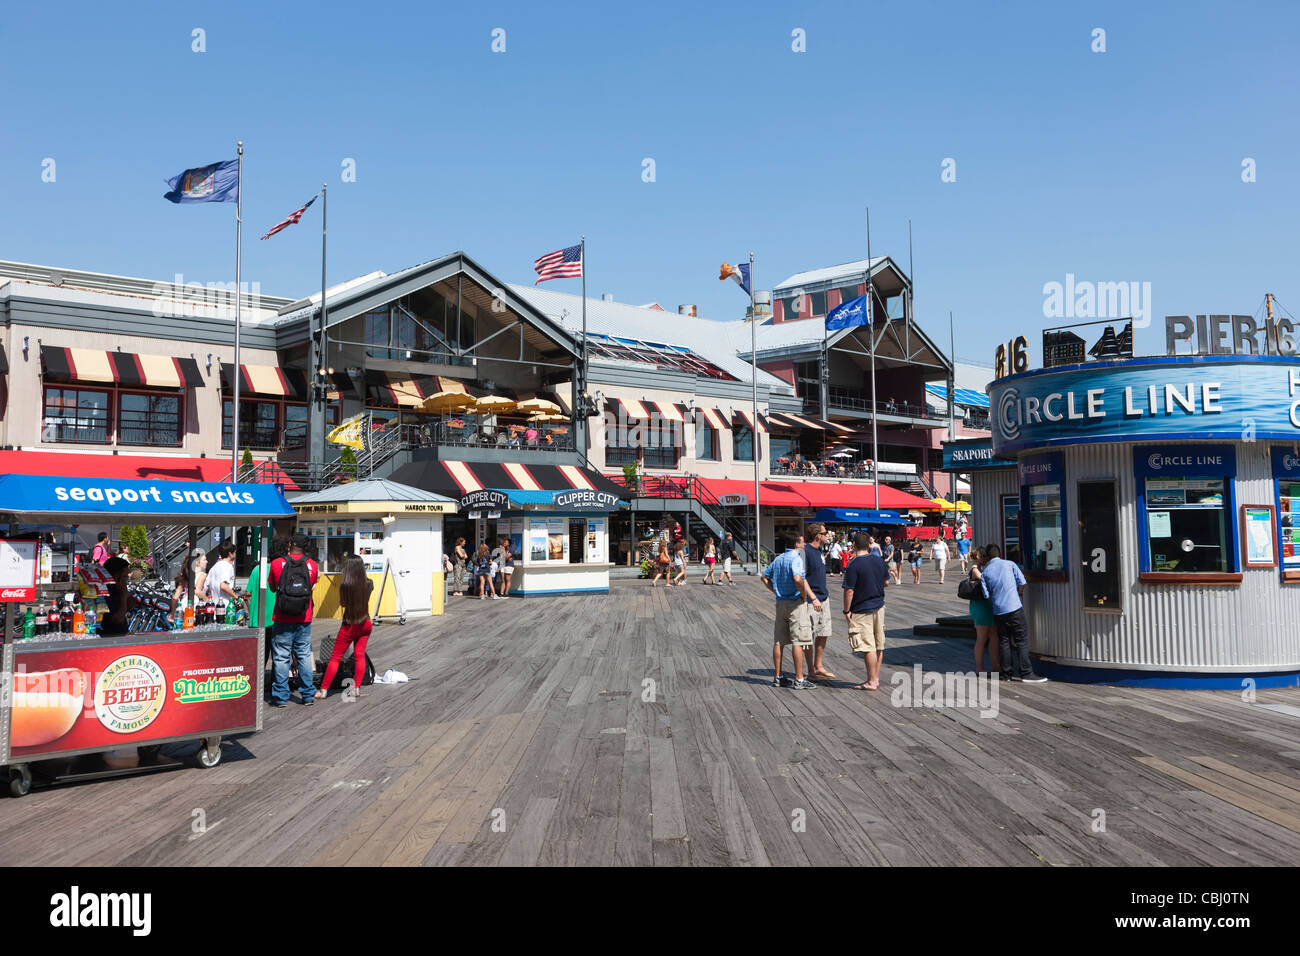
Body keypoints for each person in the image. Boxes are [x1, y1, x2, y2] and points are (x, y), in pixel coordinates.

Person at [761, 533, 820, 689]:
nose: (804, 545)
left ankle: (778, 676)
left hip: (781, 603)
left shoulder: (779, 558)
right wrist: (804, 594)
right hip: (795, 604)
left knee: (779, 641)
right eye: (802, 542)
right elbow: (798, 578)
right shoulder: (796, 558)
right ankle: (799, 679)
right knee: (798, 641)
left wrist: (775, 590)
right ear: (796, 544)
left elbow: (764, 577)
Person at [980, 544, 1045, 683]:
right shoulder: (1009, 564)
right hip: (1014, 607)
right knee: (1021, 640)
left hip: (998, 611)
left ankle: (1006, 674)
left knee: (1004, 641)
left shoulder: (985, 572)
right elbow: (1022, 582)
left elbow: (987, 595)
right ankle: (1026, 673)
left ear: (987, 556)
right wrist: (1019, 592)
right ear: (999, 553)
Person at [268, 533, 320, 707]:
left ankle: (281, 697)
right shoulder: (312, 565)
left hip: (282, 616)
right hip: (303, 617)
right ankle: (307, 694)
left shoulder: (276, 563)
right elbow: (312, 586)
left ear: (289, 544)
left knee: (281, 656)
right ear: (306, 547)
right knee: (304, 655)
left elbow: (273, 587)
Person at [316, 557, 373, 700]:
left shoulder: (345, 586)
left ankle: (323, 691)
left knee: (335, 658)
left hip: (349, 625)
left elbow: (343, 604)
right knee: (359, 656)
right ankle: (356, 689)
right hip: (365, 623)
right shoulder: (369, 583)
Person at [842, 531, 890, 690]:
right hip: (879, 605)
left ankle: (870, 681)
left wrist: (846, 610)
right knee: (878, 644)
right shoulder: (878, 560)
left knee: (867, 645)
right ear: (869, 544)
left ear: (854, 545)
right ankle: (875, 679)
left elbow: (849, 591)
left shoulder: (853, 564)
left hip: (862, 609)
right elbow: (887, 582)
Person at [802, 523, 837, 681]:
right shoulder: (806, 551)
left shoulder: (820, 550)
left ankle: (818, 666)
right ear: (818, 536)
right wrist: (813, 597)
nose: (827, 535)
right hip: (811, 600)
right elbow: (801, 577)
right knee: (808, 636)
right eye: (825, 533)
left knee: (824, 632)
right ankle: (810, 669)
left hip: (824, 598)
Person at [966, 548, 999, 674]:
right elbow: (984, 579)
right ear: (980, 557)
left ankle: (996, 665)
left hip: (987, 605)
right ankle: (979, 668)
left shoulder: (983, 568)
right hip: (981, 606)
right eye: (985, 557)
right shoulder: (975, 569)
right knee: (982, 638)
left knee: (994, 636)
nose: (987, 559)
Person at [100, 556, 135, 635]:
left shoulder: (117, 590)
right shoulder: (106, 593)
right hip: (109, 636)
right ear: (116, 576)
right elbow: (118, 618)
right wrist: (123, 595)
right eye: (124, 577)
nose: (126, 581)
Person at [206, 539, 239, 613]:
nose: (235, 554)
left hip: (214, 609)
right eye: (235, 552)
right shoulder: (228, 567)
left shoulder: (213, 568)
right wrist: (236, 597)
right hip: (225, 608)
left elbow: (207, 588)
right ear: (230, 554)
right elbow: (223, 586)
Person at [172, 547, 208, 613]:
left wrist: (172, 614)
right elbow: (197, 591)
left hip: (184, 604)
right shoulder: (202, 575)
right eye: (204, 560)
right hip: (195, 605)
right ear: (197, 563)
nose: (206, 561)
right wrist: (207, 600)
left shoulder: (186, 575)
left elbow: (175, 596)